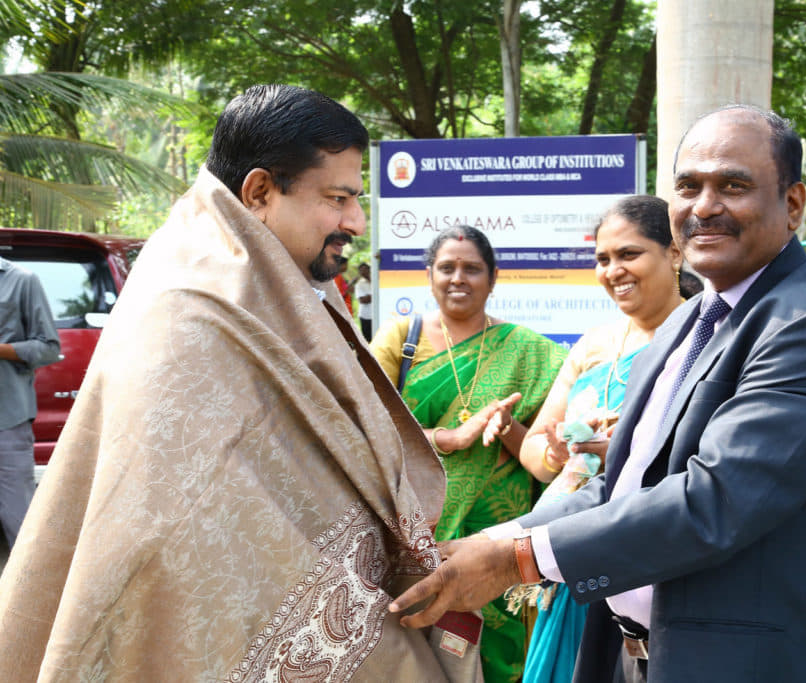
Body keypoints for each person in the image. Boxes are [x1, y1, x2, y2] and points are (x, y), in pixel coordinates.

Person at [389, 104, 806, 683]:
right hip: (638, 654)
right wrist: (490, 540)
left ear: (793, 204)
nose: (705, 207)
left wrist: (515, 560)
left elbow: (715, 500)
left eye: (733, 185)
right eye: (688, 186)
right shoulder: (691, 320)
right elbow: (625, 482)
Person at [0, 85, 465, 682]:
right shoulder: (191, 310)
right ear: (260, 191)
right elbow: (172, 526)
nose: (356, 220)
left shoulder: (278, 287)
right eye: (339, 198)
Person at [370, 224, 567, 682]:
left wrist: (508, 428)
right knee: (416, 653)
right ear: (429, 275)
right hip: (418, 529)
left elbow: (547, 456)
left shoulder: (532, 354)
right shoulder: (402, 339)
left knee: (503, 660)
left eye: (472, 269)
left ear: (493, 278)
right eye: (447, 268)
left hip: (498, 535)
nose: (458, 278)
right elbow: (364, 428)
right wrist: (449, 438)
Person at [516, 194, 683, 683]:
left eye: (629, 254)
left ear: (673, 252)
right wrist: (556, 451)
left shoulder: (705, 337)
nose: (614, 271)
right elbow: (535, 455)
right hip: (572, 544)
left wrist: (628, 455)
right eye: (603, 259)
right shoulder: (595, 345)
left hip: (648, 549)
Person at [0, 257, 60, 550]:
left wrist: (3, 350)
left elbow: (49, 348)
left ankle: (30, 593)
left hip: (6, 420)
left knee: (18, 520)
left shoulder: (22, 280)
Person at [354, 261, 373, 340]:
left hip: (378, 315)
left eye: (365, 269)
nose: (363, 271)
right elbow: (363, 300)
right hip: (366, 316)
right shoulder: (359, 284)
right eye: (361, 270)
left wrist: (369, 296)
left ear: (369, 270)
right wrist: (376, 295)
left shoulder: (377, 281)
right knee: (367, 339)